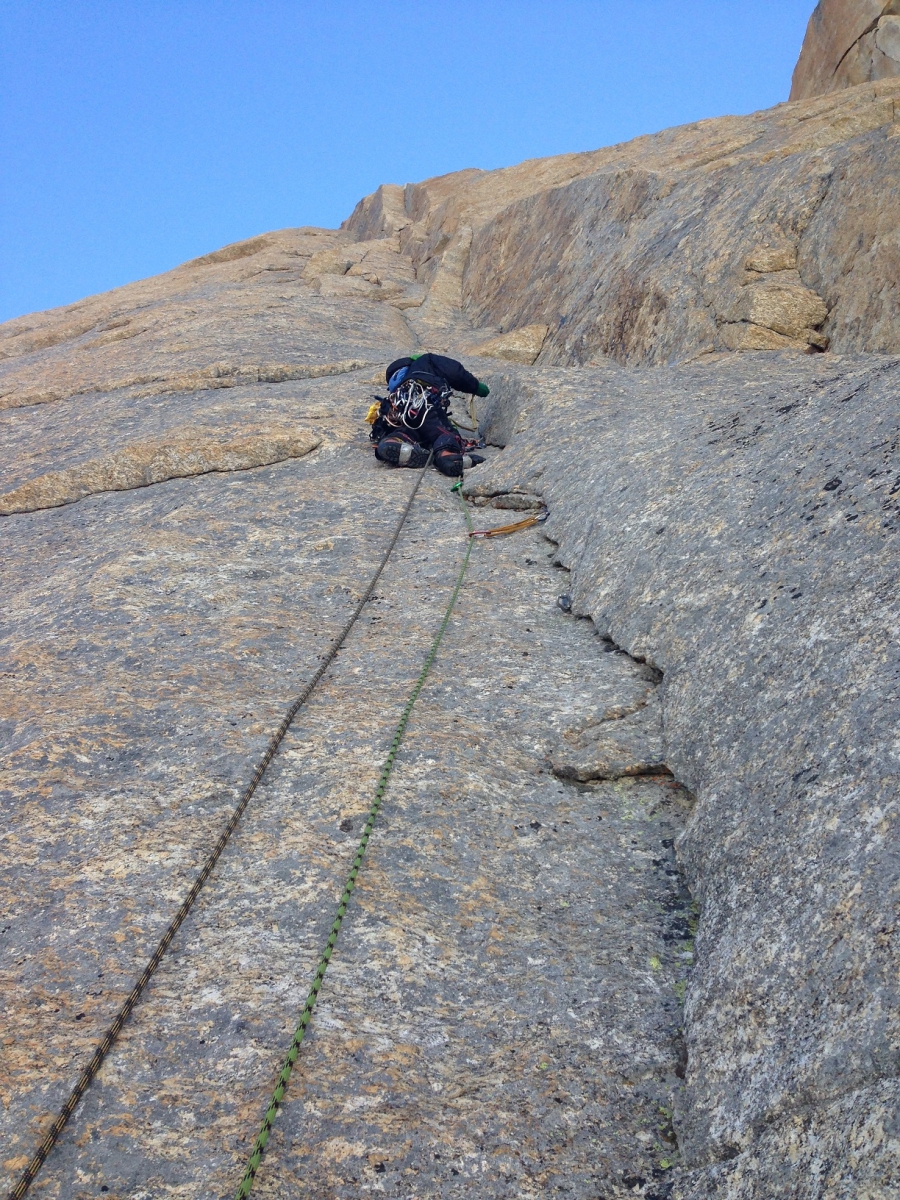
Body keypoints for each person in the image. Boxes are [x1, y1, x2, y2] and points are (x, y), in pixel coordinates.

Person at [367, 352, 490, 477]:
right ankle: (447, 456)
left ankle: (394, 441)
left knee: (407, 430)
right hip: (423, 402)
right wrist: (476, 387)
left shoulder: (396, 392)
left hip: (399, 412)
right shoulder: (425, 361)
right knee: (441, 431)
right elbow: (454, 372)